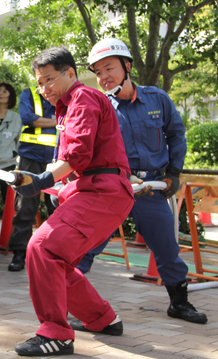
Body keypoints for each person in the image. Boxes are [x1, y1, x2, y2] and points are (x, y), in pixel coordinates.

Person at [11, 47, 134, 356]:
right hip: (93, 191)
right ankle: (102, 319)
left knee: (42, 247)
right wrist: (42, 184)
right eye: (39, 83)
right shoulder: (66, 107)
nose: (44, 89)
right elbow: (68, 162)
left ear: (70, 73)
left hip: (103, 191)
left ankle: (56, 334)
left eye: (49, 80)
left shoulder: (84, 98)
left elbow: (77, 155)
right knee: (54, 258)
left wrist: (41, 182)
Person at [74, 38, 207, 325]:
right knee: (86, 247)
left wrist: (174, 172)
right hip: (113, 190)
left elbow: (176, 135)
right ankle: (70, 305)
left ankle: (179, 304)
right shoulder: (99, 106)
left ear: (127, 66)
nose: (103, 77)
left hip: (151, 189)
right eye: (97, 72)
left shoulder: (158, 99)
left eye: (108, 68)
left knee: (168, 249)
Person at [7, 86, 57, 272]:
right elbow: (28, 119)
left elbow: (70, 121)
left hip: (57, 158)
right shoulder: (28, 94)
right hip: (31, 156)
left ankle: (55, 254)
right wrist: (56, 122)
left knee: (57, 206)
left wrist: (44, 121)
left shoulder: (63, 93)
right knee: (25, 206)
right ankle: (19, 254)